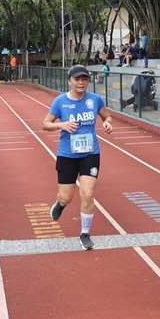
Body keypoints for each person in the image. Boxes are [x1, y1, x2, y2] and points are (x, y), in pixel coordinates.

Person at [42, 65, 113, 250]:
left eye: (84, 79)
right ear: (70, 81)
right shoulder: (60, 101)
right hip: (67, 154)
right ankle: (60, 203)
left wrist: (107, 123)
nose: (81, 83)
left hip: (90, 153)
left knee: (88, 194)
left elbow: (107, 116)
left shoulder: (95, 100)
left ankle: (85, 234)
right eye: (77, 79)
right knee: (67, 196)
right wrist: (62, 125)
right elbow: (45, 124)